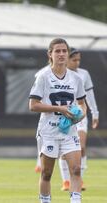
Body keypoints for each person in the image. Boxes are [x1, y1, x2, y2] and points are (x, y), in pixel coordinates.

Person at [29, 38, 87, 203]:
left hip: (69, 131)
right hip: (49, 131)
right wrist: (59, 109)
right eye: (57, 51)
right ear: (50, 54)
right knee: (46, 173)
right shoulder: (43, 77)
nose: (61, 54)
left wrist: (80, 116)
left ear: (68, 54)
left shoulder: (76, 79)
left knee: (76, 170)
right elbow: (33, 105)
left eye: (64, 51)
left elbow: (82, 104)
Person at [58, 48, 99, 191]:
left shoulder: (84, 74)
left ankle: (79, 179)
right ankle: (66, 181)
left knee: (81, 147)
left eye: (79, 60)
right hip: (64, 116)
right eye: (74, 60)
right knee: (64, 150)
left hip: (80, 116)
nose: (77, 63)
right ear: (66, 60)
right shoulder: (59, 74)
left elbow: (90, 95)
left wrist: (95, 113)